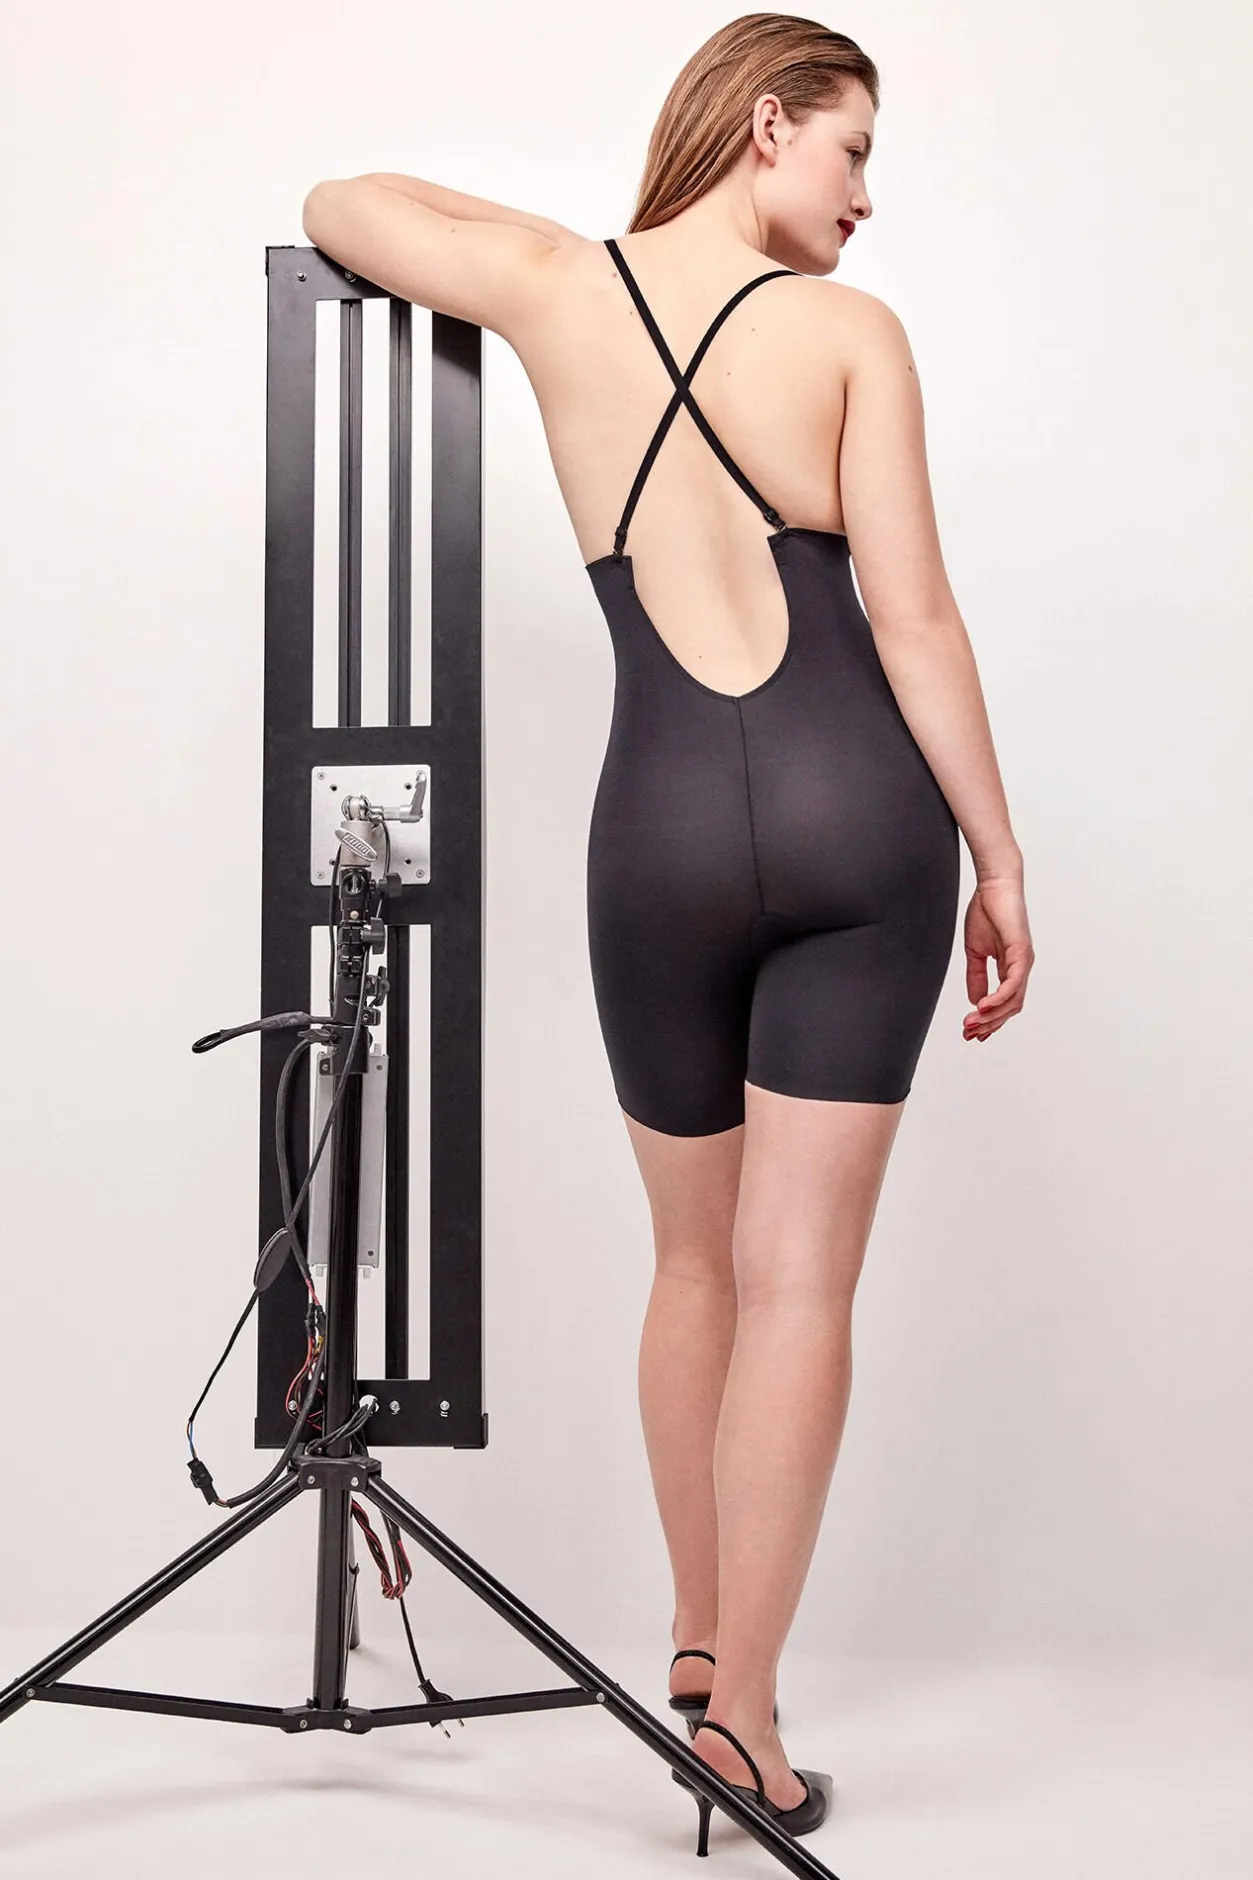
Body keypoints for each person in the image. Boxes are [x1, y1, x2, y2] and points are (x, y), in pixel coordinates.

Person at [303, 11, 1034, 1850]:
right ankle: (749, 1729)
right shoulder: (854, 340)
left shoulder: (557, 295)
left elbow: (342, 201)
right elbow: (916, 624)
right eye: (852, 152)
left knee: (694, 1269)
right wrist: (1002, 861)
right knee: (799, 1286)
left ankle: (701, 1654)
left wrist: (584, 247)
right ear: (769, 123)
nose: (866, 200)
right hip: (861, 823)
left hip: (657, 842)